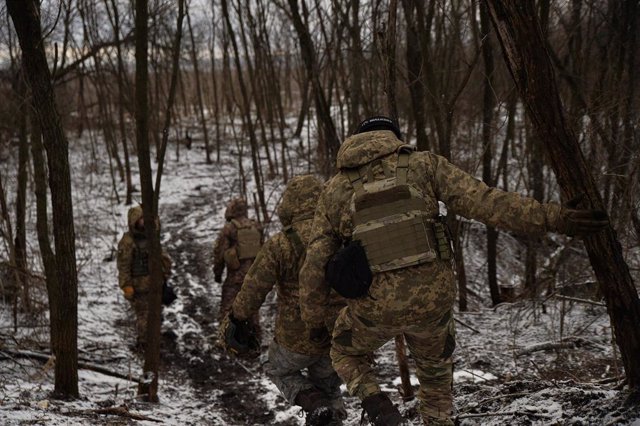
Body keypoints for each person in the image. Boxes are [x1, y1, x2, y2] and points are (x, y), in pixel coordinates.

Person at [298, 116, 609, 426]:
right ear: (393, 137)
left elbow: (314, 265)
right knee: (435, 385)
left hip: (375, 310)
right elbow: (488, 203)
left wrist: (313, 321)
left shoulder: (335, 190)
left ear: (357, 141)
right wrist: (556, 218)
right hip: (433, 305)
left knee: (342, 351)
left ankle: (378, 405)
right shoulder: (424, 165)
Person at [221, 176, 347, 426]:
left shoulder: (281, 243)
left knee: (274, 366)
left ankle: (312, 402)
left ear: (290, 205)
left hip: (296, 339)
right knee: (329, 385)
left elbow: (254, 288)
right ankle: (328, 413)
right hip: (338, 333)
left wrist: (236, 318)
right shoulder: (341, 235)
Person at [117, 205, 172, 351]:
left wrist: (165, 273)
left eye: (145, 219)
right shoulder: (128, 242)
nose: (143, 222)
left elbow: (163, 257)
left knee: (156, 314)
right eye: (140, 219)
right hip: (139, 286)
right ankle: (144, 343)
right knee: (143, 316)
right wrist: (126, 286)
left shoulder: (152, 237)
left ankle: (155, 340)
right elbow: (124, 266)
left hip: (155, 283)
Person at [213, 198, 262, 333]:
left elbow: (220, 254)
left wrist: (217, 273)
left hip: (235, 277)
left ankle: (225, 336)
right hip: (254, 276)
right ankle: (254, 335)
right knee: (252, 306)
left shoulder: (229, 229)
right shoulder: (256, 226)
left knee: (228, 306)